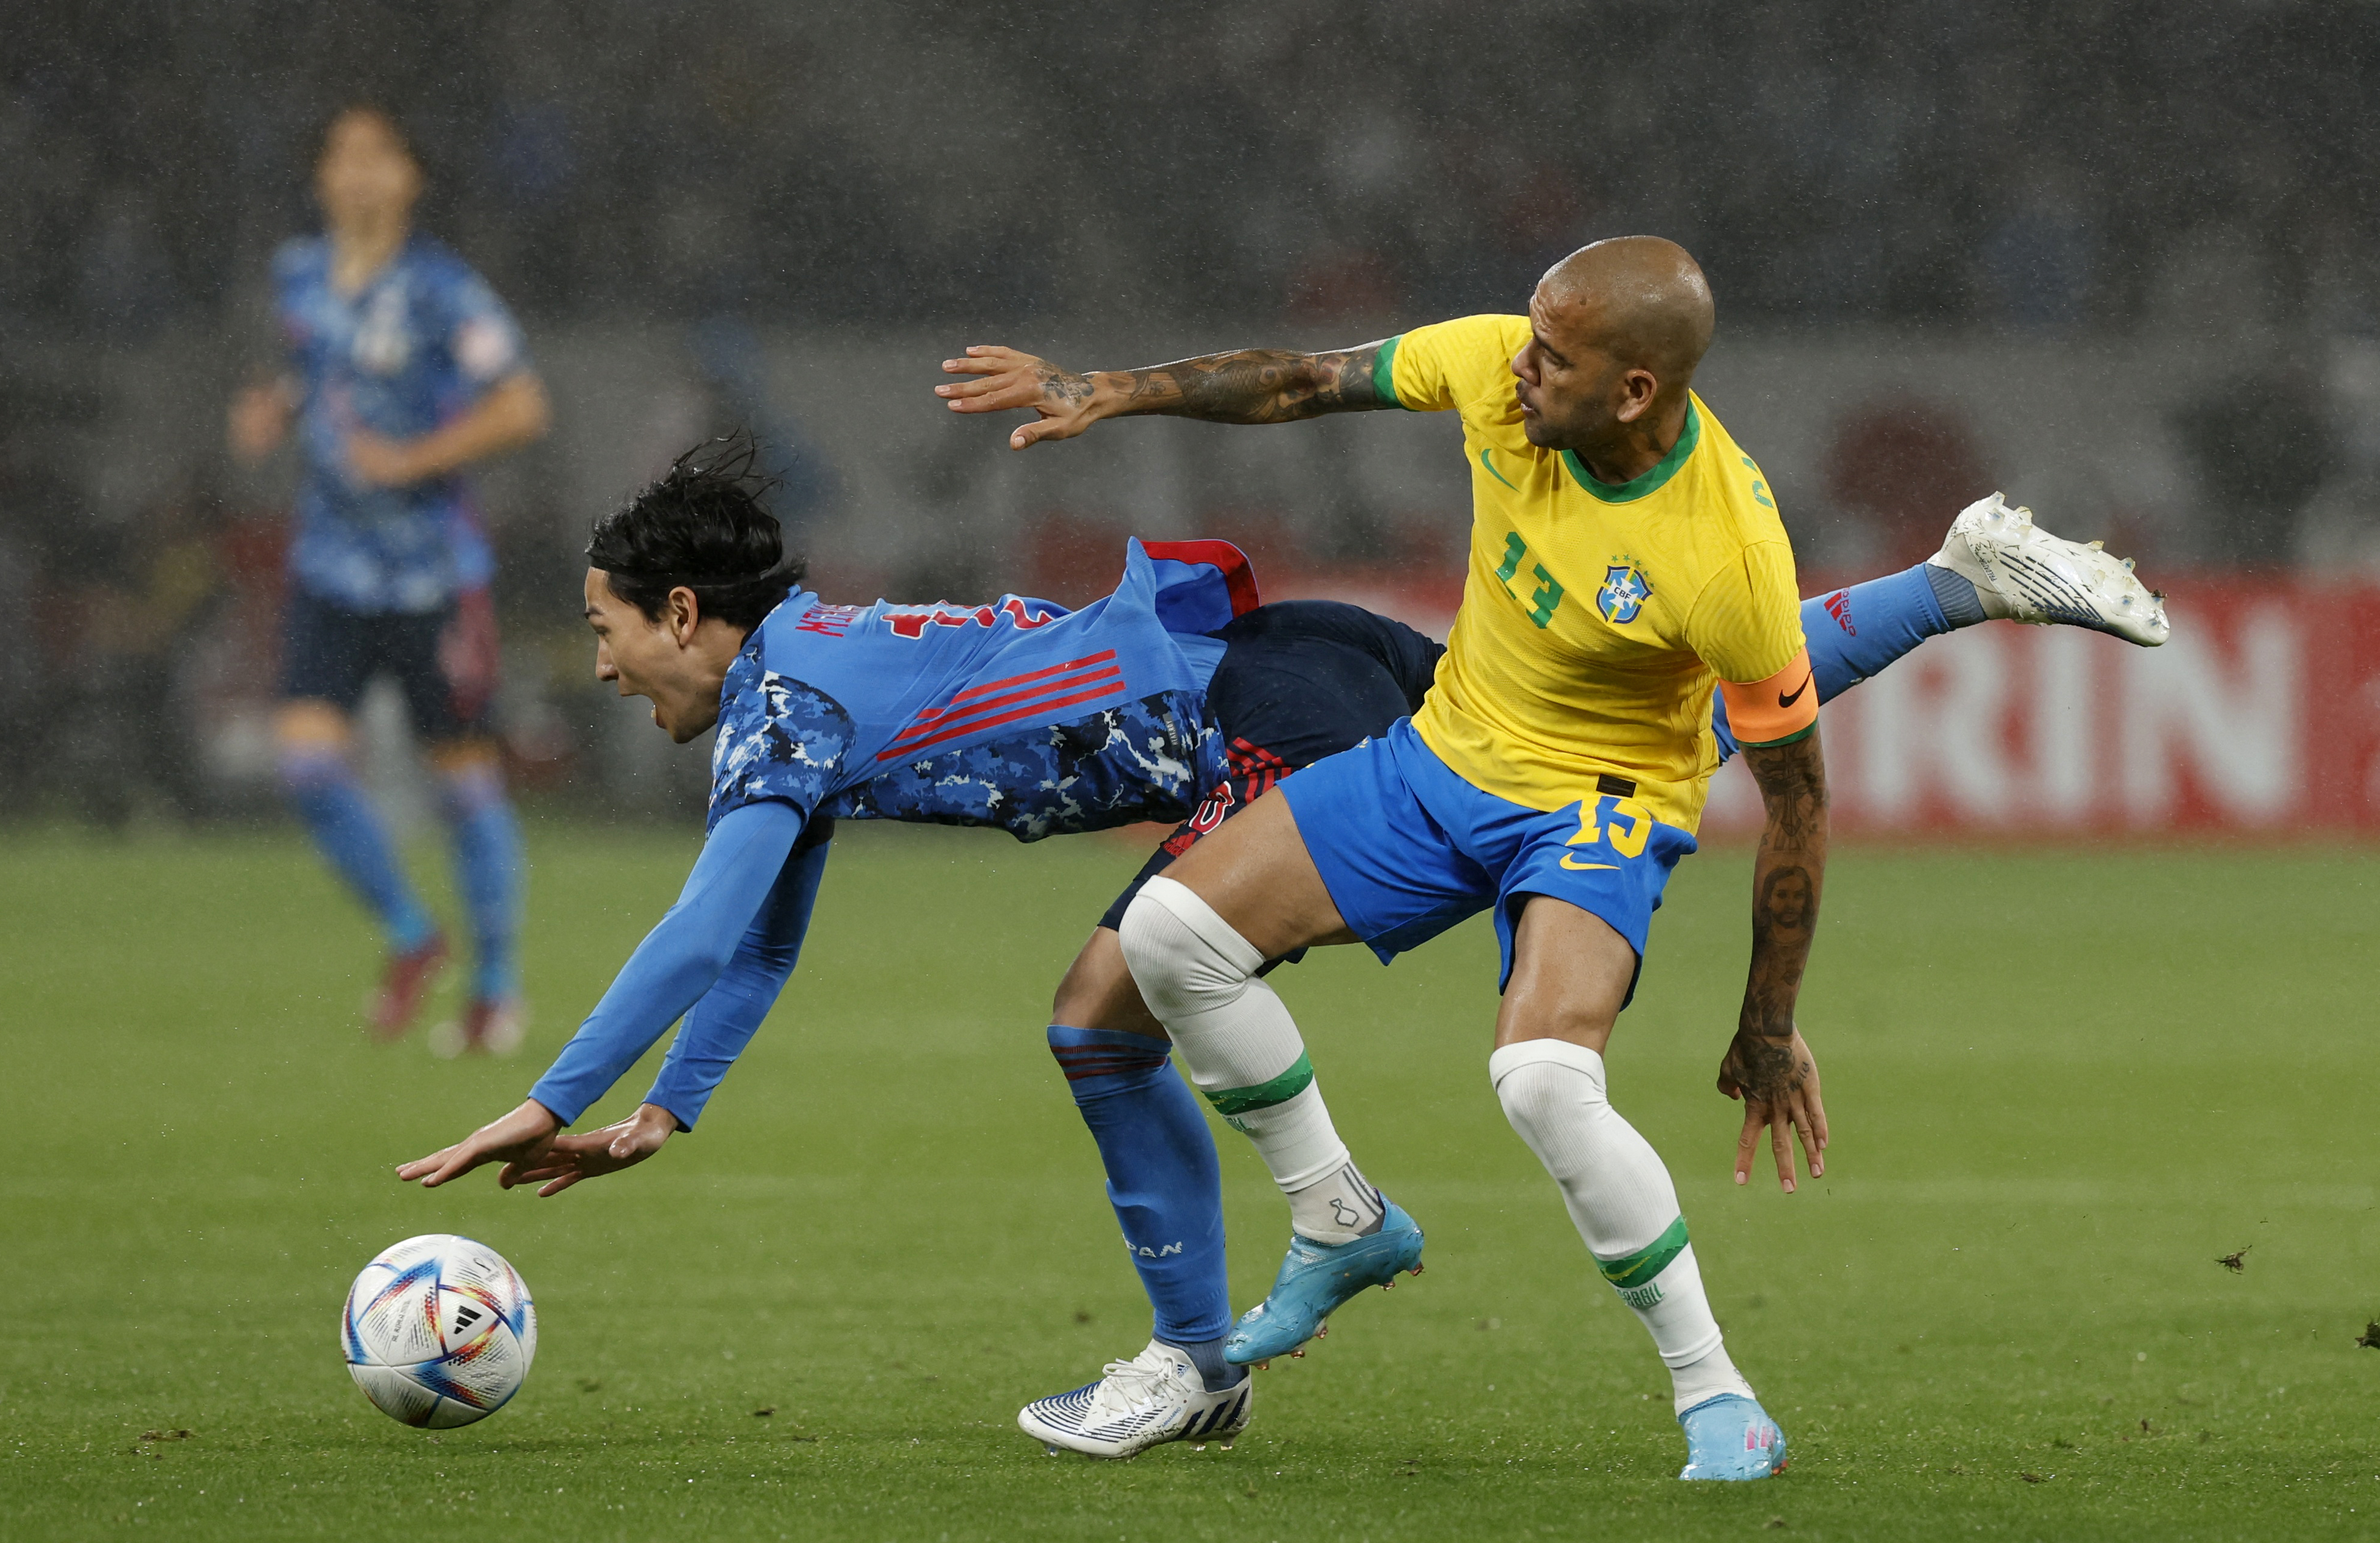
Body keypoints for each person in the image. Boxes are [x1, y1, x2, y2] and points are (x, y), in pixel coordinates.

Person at [397, 434, 2166, 1464]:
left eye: (608, 629)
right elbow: (761, 935)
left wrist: (545, 1096)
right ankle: (1949, 583)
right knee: (1626, 731)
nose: (601, 663)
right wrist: (670, 1108)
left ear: (685, 615)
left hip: (1261, 711)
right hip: (1283, 674)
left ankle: (1237, 1323)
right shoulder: (800, 679)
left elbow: (706, 923)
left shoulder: (780, 704)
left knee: (1108, 1008)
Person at [931, 234, 2168, 1479]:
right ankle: (1339, 1217)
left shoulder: (1726, 551)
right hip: (1442, 756)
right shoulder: (1498, 371)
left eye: (1555, 358)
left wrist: (1767, 1023)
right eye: (1529, 338)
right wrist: (1108, 389)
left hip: (1597, 804)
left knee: (1541, 1082)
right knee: (1166, 937)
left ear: (1633, 391)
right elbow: (1304, 380)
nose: (1520, 367)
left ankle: (1715, 1392)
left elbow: (1797, 802)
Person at [228, 104, 551, 1054]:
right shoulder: (297, 275)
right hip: (329, 568)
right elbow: (314, 374)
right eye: (343, 155)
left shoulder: (443, 291)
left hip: (432, 577)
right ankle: (414, 934)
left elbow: (522, 406)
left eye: (379, 155)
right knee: (307, 765)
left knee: (464, 784)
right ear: (321, 176)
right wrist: (273, 411)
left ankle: (494, 988)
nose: (360, 172)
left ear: (411, 177)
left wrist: (412, 460)